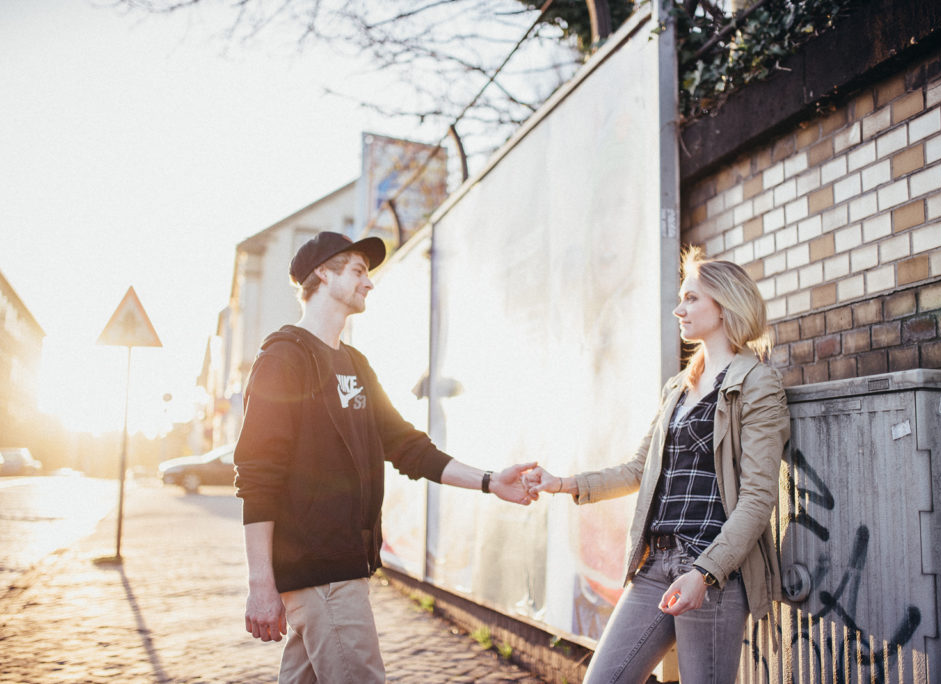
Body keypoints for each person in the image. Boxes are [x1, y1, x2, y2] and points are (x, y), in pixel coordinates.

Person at [233, 231, 537, 684]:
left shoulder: (355, 364)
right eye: (358, 271)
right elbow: (258, 477)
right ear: (322, 273)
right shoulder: (283, 359)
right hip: (322, 573)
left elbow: (407, 446)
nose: (368, 283)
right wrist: (261, 584)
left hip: (344, 569)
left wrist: (490, 481)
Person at [526, 247, 790, 683]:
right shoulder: (678, 388)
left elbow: (758, 500)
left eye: (691, 299)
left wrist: (704, 574)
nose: (678, 309)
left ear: (724, 306)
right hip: (655, 562)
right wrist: (561, 483)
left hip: (713, 571)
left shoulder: (757, 383)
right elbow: (637, 469)